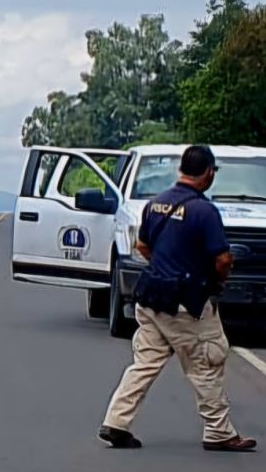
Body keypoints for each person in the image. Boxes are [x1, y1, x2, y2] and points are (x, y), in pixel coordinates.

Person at [98, 145, 256, 452]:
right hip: (187, 303)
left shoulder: (155, 204)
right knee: (207, 361)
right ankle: (219, 431)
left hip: (151, 297)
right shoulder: (204, 211)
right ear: (209, 173)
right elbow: (223, 259)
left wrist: (167, 265)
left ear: (181, 170)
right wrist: (217, 278)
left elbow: (143, 246)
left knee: (145, 363)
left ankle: (116, 421)